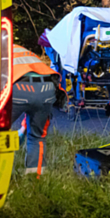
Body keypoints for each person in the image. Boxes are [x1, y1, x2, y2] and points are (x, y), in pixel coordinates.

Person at [11, 45, 64, 177]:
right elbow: (32, 98)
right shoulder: (21, 50)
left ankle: (2, 177)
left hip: (18, 86)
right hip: (47, 87)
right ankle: (35, 178)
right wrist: (24, 128)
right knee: (37, 136)